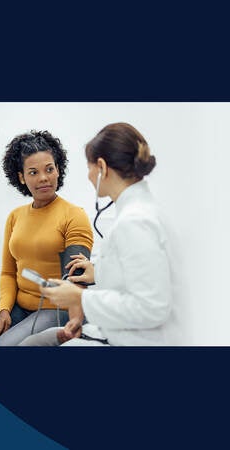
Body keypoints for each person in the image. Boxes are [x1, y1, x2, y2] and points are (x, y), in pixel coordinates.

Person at [19, 122, 173, 346]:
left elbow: (152, 307)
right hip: (119, 329)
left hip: (136, 339)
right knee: (34, 342)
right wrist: (99, 272)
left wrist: (79, 298)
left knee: (29, 345)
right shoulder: (139, 211)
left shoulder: (134, 222)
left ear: (101, 167)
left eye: (89, 167)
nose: (89, 176)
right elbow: (139, 274)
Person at [0, 130, 93, 346]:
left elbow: (75, 281)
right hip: (20, 305)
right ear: (22, 177)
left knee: (3, 347)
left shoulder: (74, 215)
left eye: (49, 169)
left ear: (58, 170)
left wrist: (75, 320)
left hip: (57, 308)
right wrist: (4, 309)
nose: (43, 178)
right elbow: (8, 272)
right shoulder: (15, 217)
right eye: (33, 172)